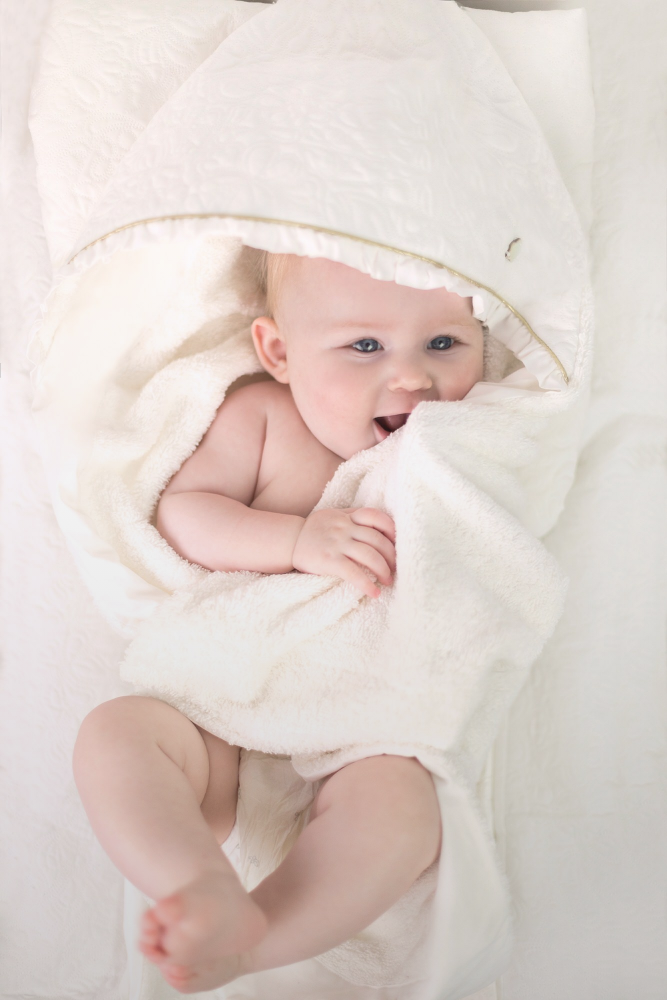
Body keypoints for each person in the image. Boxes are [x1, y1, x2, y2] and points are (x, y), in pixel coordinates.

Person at [72, 250, 486, 994]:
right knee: (117, 734)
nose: (412, 378)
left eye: (443, 342)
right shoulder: (263, 416)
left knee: (400, 812)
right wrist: (294, 540)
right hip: (227, 704)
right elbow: (185, 514)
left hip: (360, 723)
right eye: (365, 345)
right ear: (280, 352)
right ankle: (197, 880)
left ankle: (259, 940)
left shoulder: (464, 443)